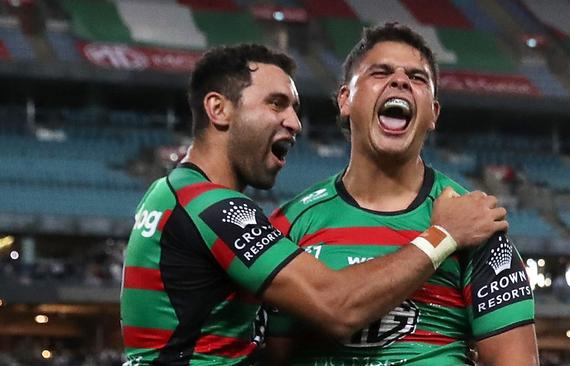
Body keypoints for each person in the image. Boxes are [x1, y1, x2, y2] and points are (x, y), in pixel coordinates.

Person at [120, 44, 508, 365]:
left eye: (293, 107)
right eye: (276, 104)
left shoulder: (171, 194)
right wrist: (442, 236)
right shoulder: (213, 207)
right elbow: (336, 305)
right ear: (218, 109)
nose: (294, 122)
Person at [264, 23, 539, 365]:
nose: (400, 81)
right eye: (380, 72)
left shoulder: (478, 225)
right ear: (346, 100)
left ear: (433, 114)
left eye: (418, 78)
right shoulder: (290, 225)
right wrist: (442, 237)